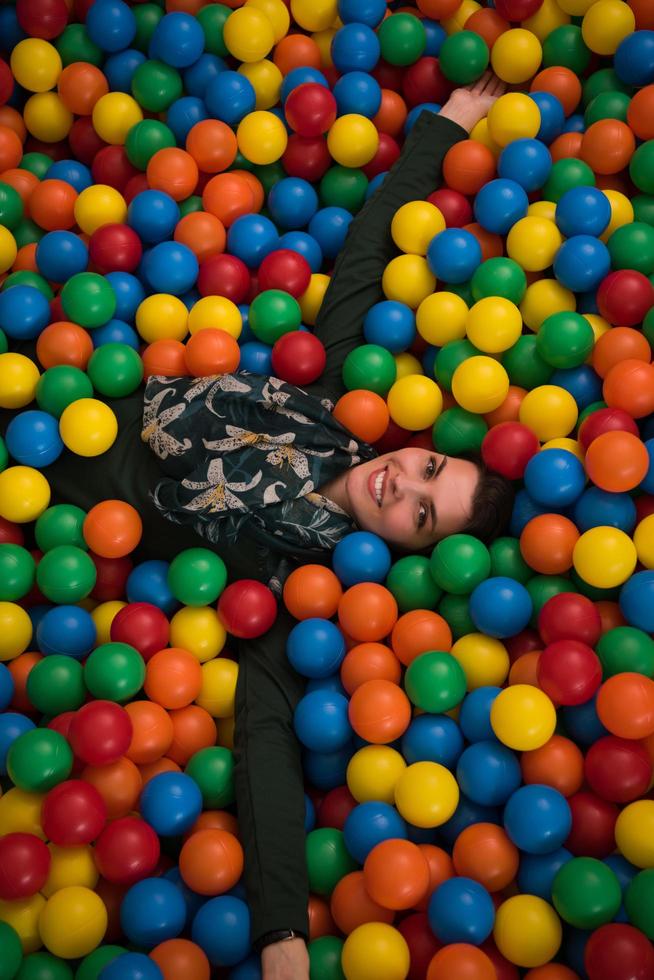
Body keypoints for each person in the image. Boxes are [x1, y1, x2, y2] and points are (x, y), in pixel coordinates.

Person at [0, 74, 513, 979]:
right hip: (69, 380)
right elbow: (365, 250)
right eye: (429, 468)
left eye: (421, 515)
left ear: (407, 551)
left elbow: (266, 742)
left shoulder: (295, 586)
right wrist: (442, 129)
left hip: (45, 504)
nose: (404, 486)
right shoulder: (339, 400)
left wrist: (281, 933)